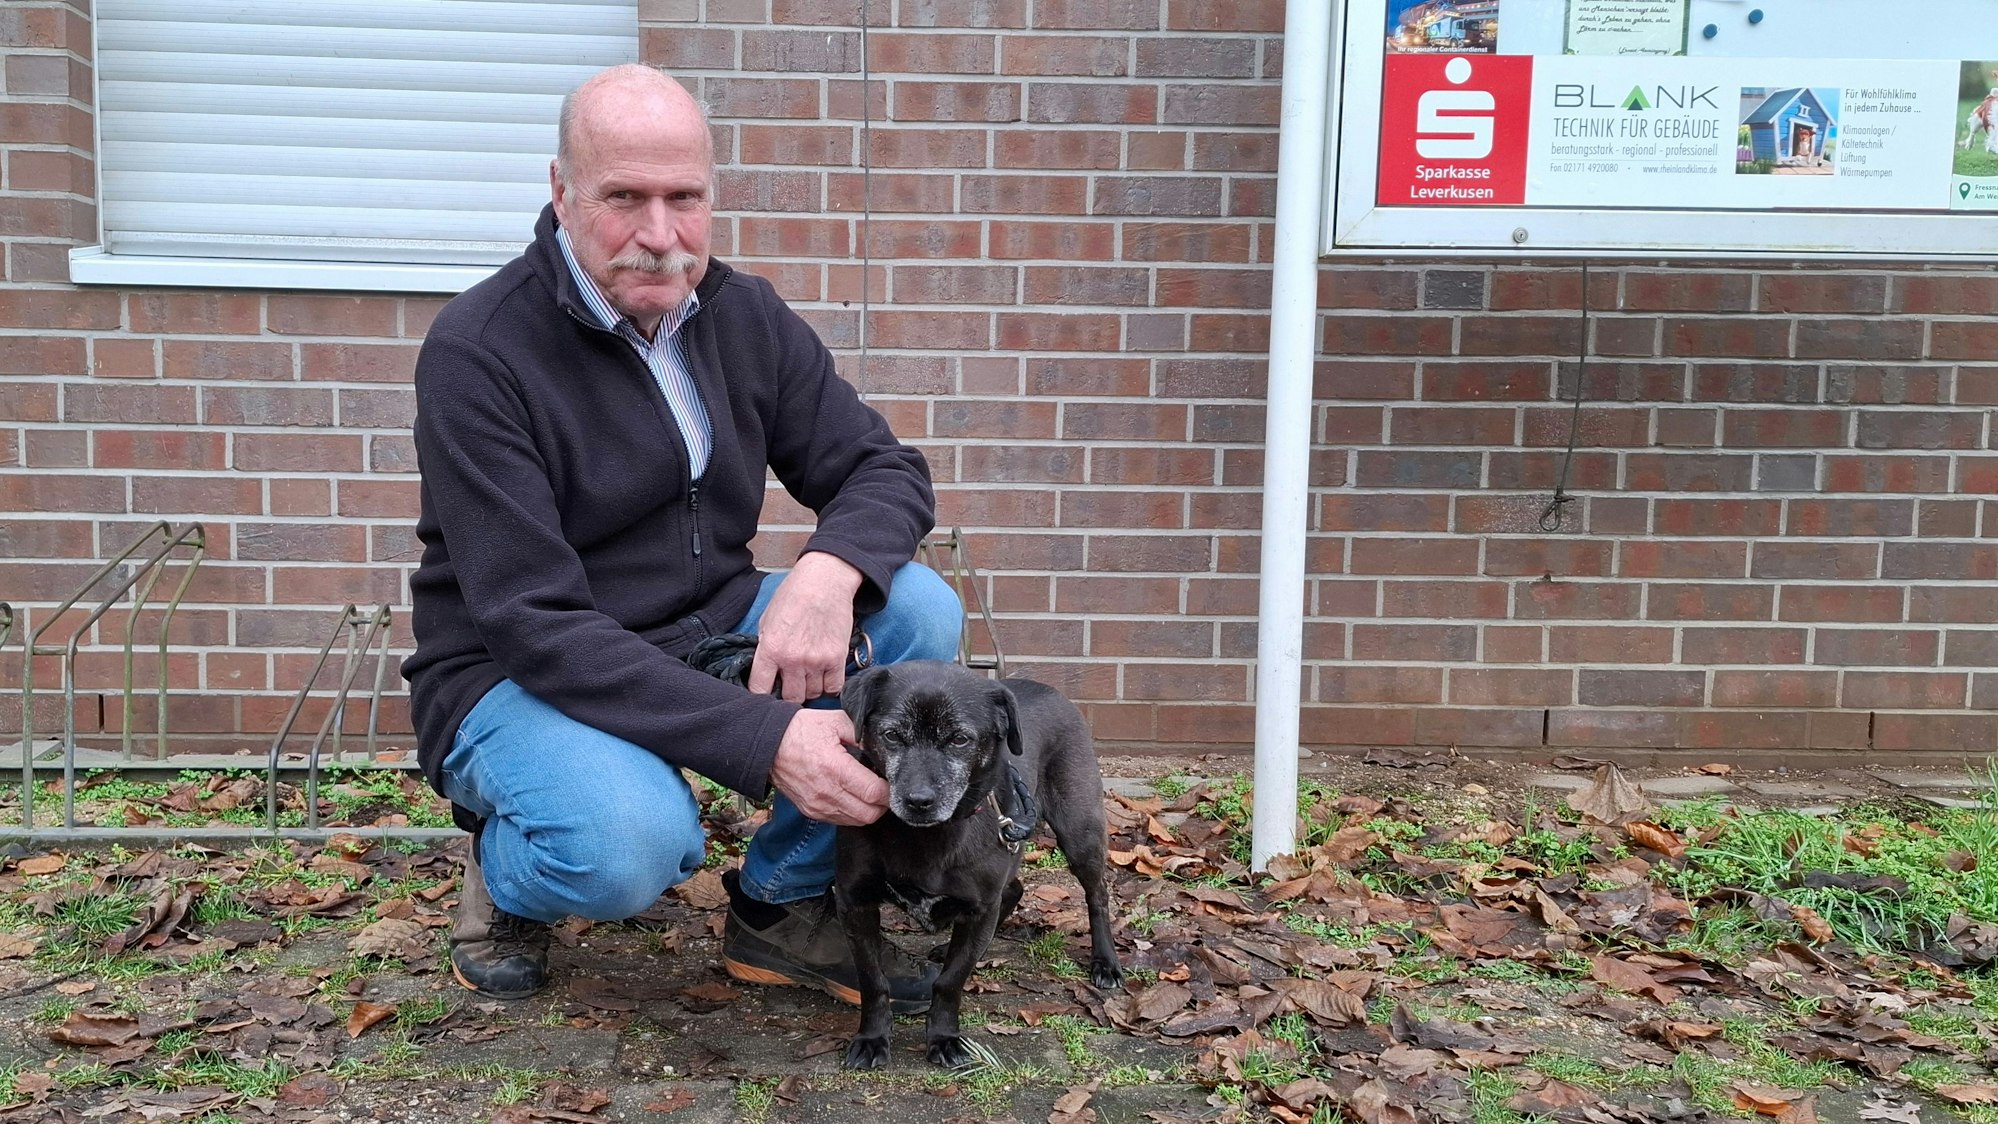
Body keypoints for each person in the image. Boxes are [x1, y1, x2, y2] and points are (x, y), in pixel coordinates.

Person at [402, 63, 962, 1007]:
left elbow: (884, 469)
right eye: (624, 198)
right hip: (515, 668)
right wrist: (764, 736)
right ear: (562, 191)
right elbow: (535, 621)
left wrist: (826, 578)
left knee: (915, 611)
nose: (660, 236)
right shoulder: (479, 352)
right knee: (628, 850)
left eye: (684, 199)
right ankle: (509, 865)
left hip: (704, 623)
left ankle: (780, 908)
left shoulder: (743, 317)